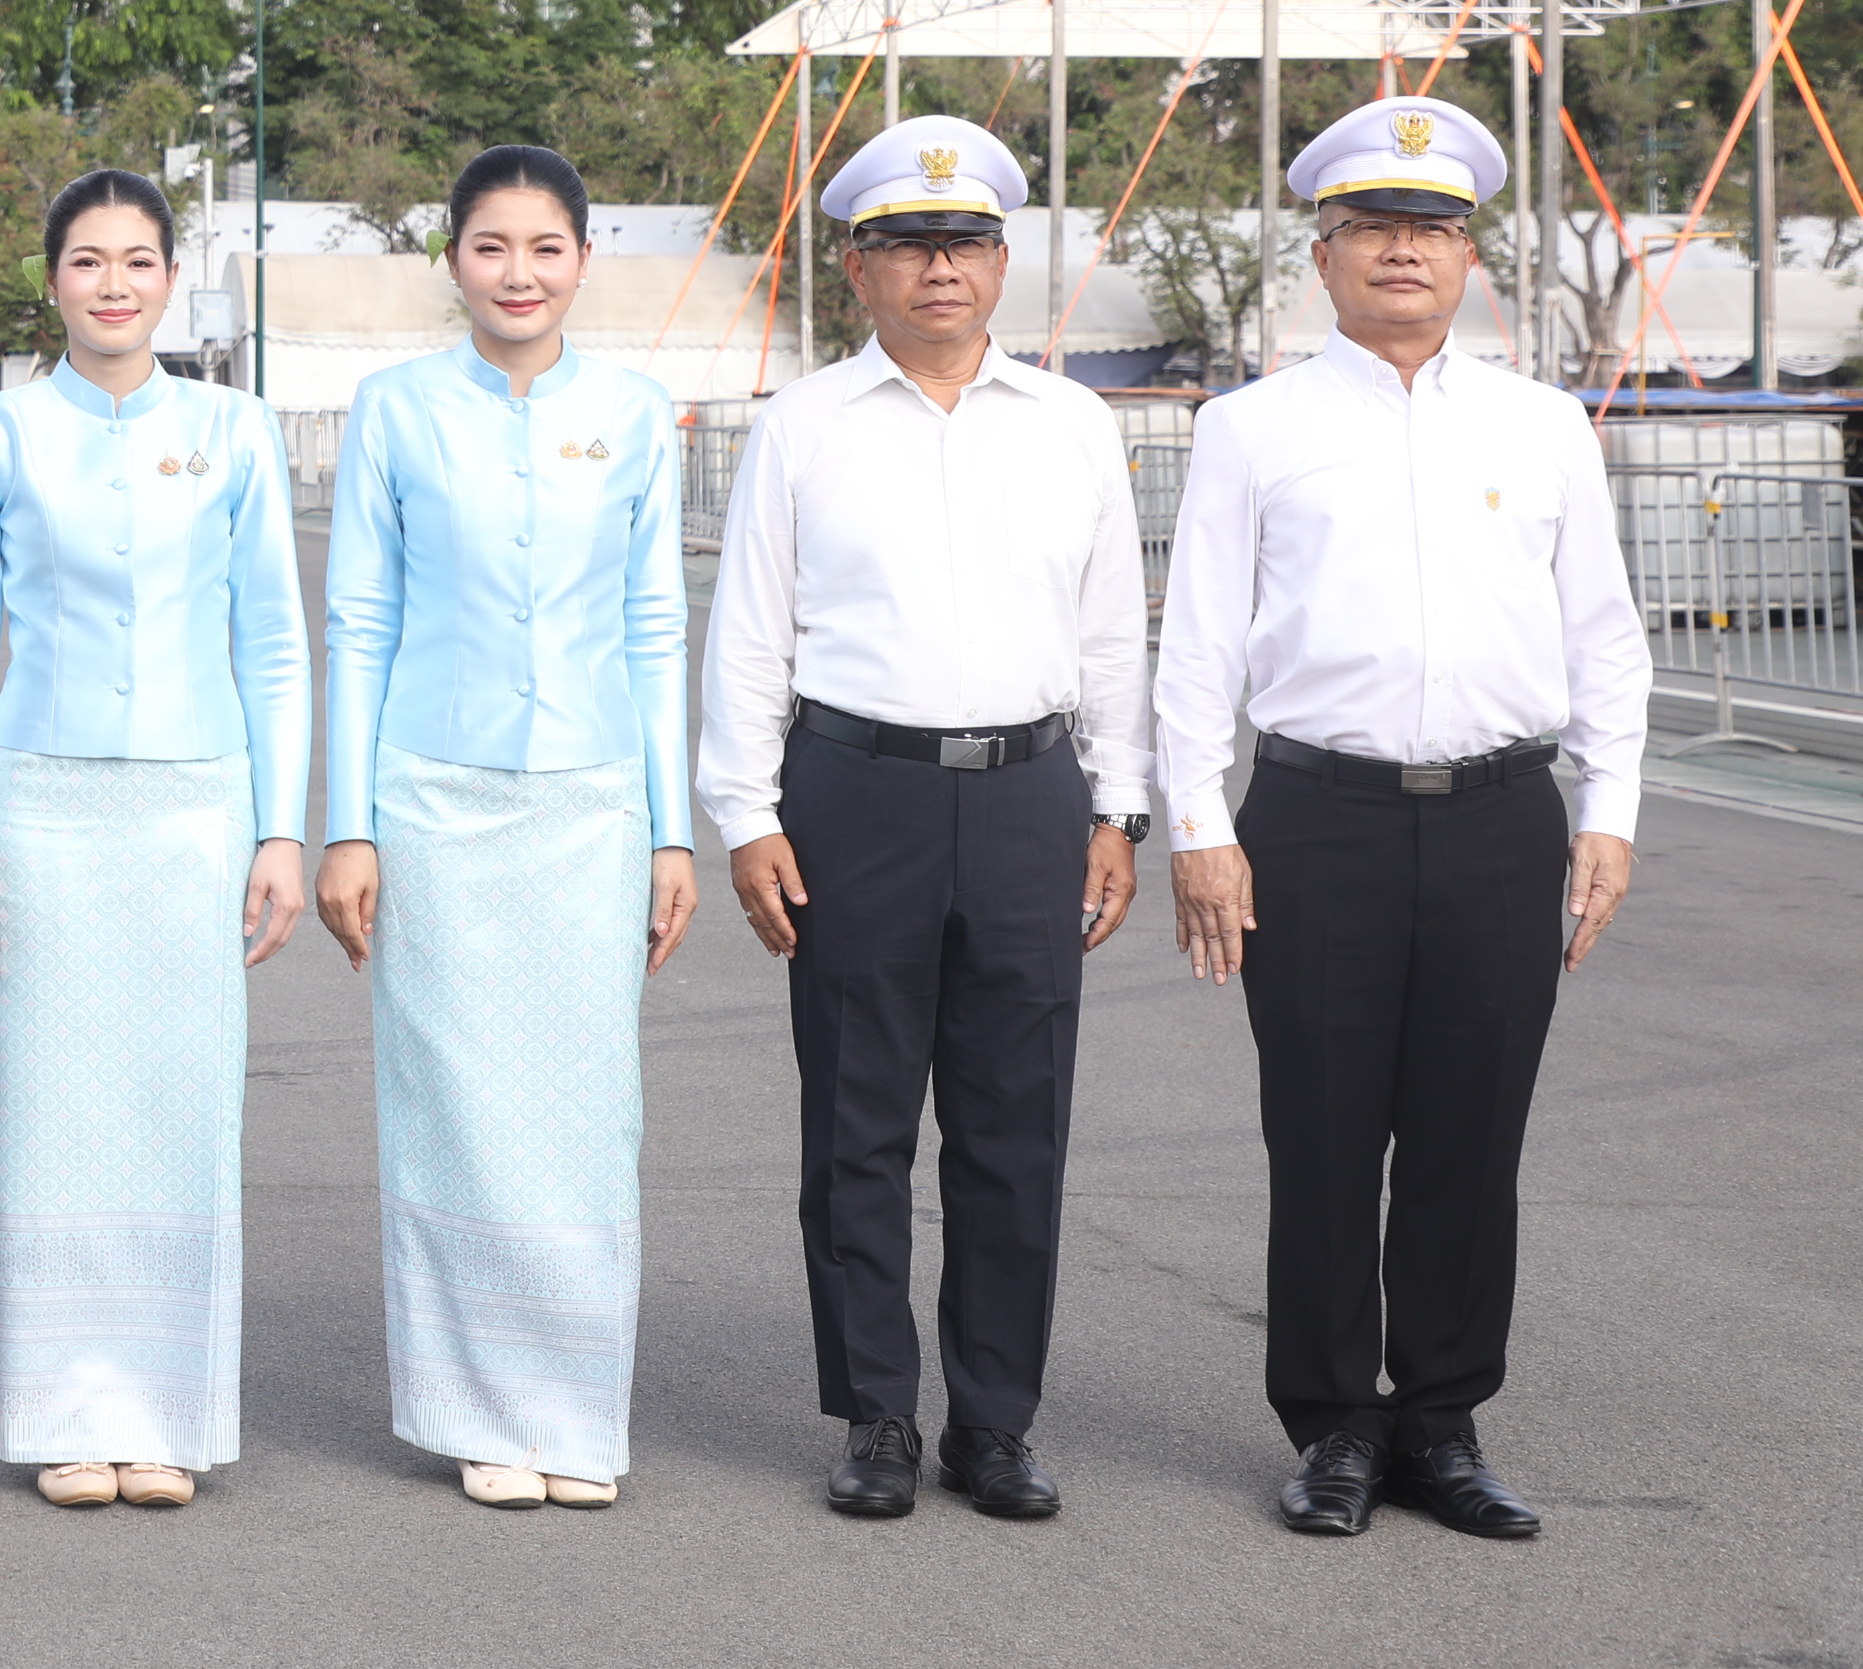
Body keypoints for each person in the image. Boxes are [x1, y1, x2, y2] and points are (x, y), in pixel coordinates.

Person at [1157, 94, 1644, 1541]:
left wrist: (1608, 808)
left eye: (1430, 227)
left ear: (1470, 252)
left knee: (1466, 1137)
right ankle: (1331, 1428)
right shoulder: (1251, 430)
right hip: (1318, 819)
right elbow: (1195, 647)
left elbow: (1605, 637)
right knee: (1319, 1134)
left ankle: (1441, 1421)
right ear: (1323, 251)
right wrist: (1199, 824)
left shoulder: (1547, 428)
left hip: (1503, 820)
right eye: (1372, 226)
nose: (1403, 251)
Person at [699, 115, 1151, 1524]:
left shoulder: (1074, 425)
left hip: (1029, 795)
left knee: (1018, 1130)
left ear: (1002, 258)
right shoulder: (803, 427)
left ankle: (996, 1423)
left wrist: (1119, 805)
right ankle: (878, 1415)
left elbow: (1113, 634)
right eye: (905, 244)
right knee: (859, 1128)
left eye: (960, 243)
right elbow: (751, 633)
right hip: (857, 795)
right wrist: (745, 813)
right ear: (857, 266)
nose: (937, 268)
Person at [316, 146, 690, 1511]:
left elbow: (657, 626)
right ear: (453, 261)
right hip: (435, 797)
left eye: (545, 247)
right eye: (490, 246)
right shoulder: (397, 410)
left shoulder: (638, 413)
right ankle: (478, 1411)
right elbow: (359, 620)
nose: (518, 272)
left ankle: (574, 1414)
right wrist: (347, 827)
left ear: (584, 259)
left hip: (593, 802)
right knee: (455, 1104)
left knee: (586, 1112)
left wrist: (671, 833)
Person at [0, 169, 306, 1511]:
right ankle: (70, 1413)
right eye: (86, 262)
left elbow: (272, 640)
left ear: (170, 279)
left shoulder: (235, 429)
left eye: (137, 261)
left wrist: (281, 827)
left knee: (179, 1102)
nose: (112, 285)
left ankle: (169, 1416)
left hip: (198, 805)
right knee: (55, 1107)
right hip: (42, 803)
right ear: (53, 282)